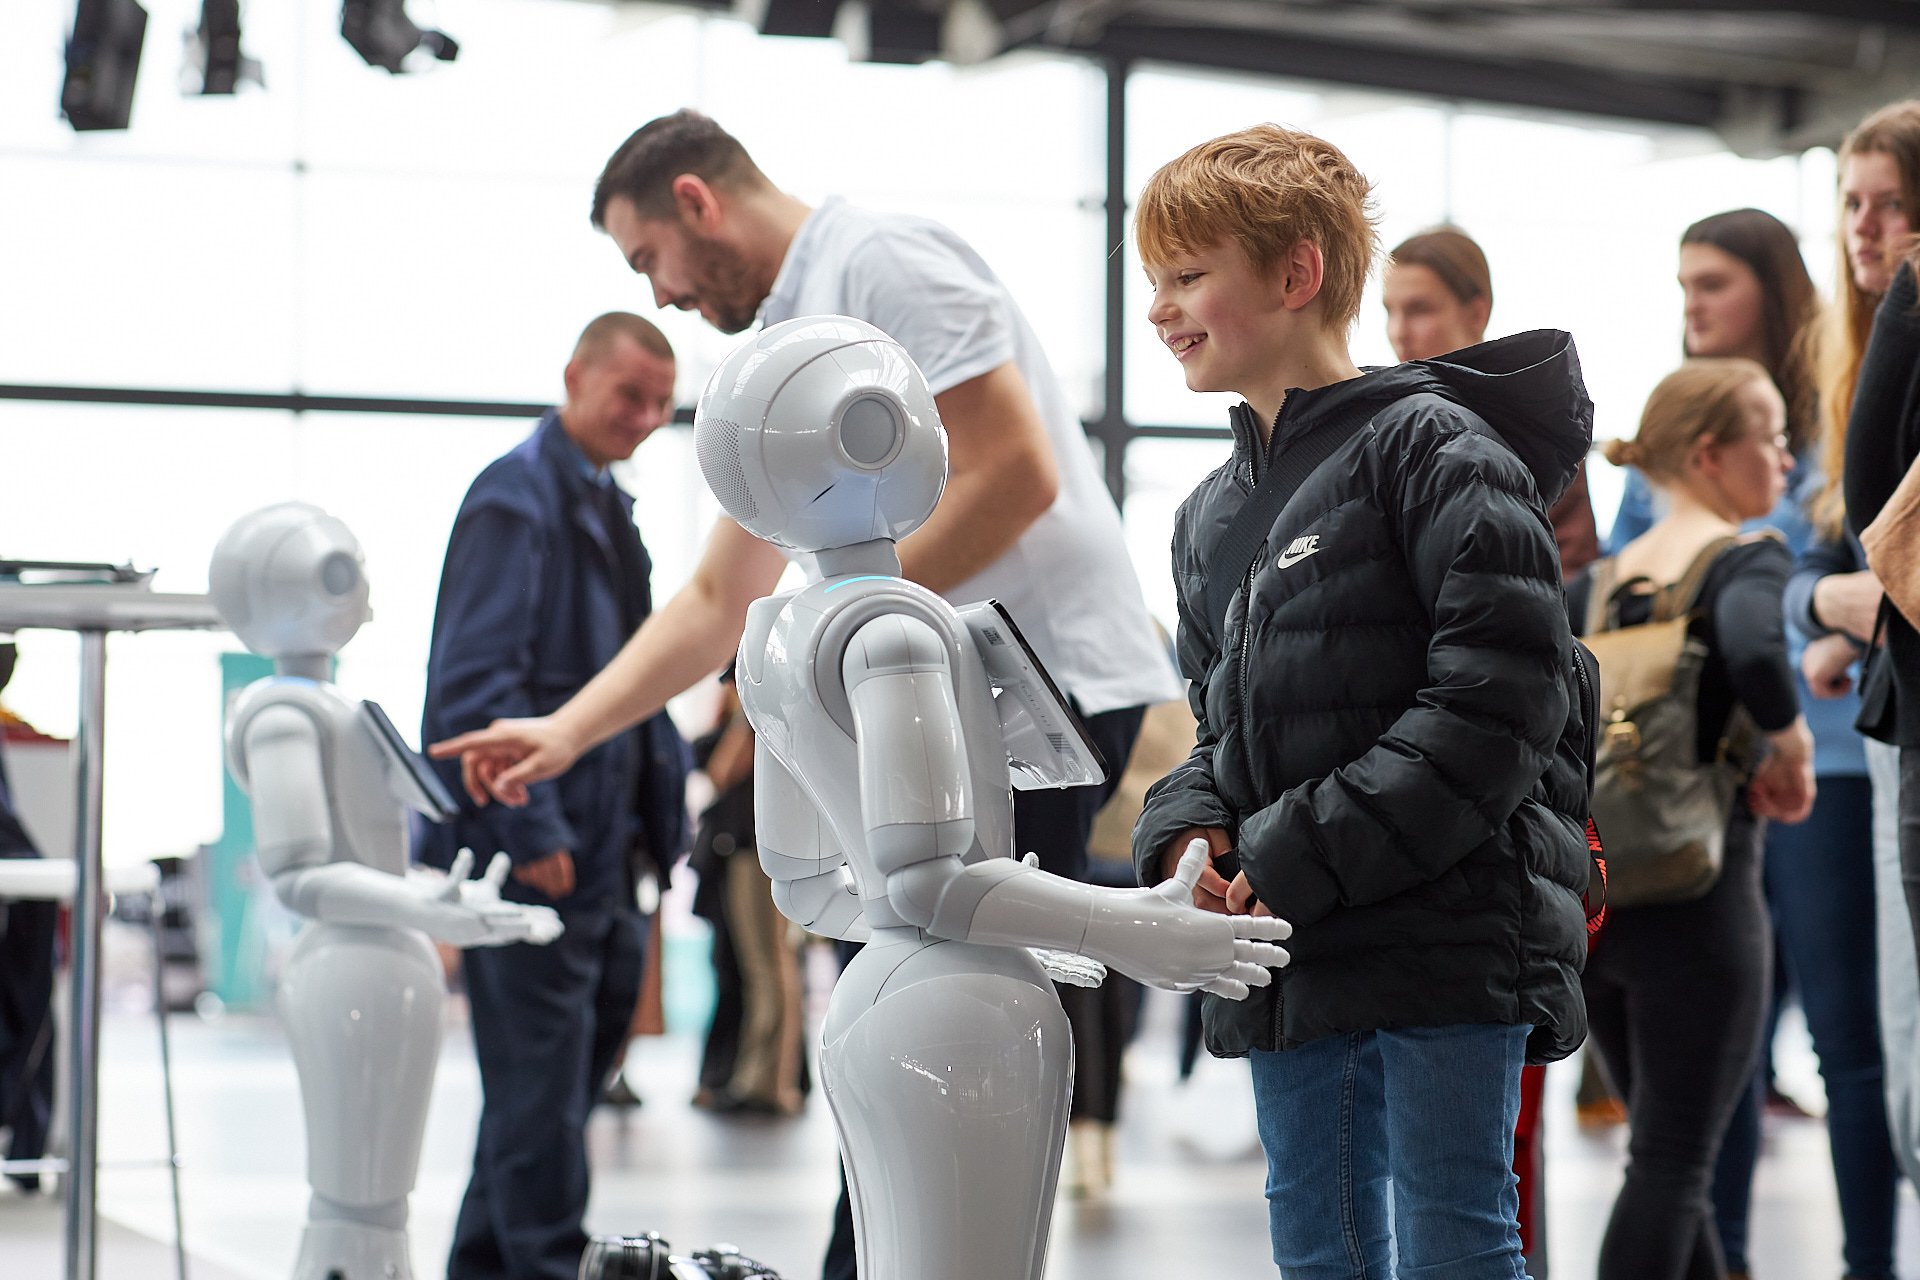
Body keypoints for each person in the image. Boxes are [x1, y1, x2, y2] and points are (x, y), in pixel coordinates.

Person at [427, 109, 1180, 1280]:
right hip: (934, 679)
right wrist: (566, 731)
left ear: (695, 201)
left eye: (647, 262)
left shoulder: (881, 259)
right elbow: (721, 597)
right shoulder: (782, 346)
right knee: (891, 997)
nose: (662, 295)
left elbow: (1014, 471)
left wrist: (841, 632)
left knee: (941, 995)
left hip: (1039, 682)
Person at [1131, 123, 1595, 1279]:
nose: (1159, 309)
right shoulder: (1206, 515)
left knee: (1457, 1235)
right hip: (1287, 936)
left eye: (1187, 276)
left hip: (1445, 925)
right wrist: (1190, 828)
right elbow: (1219, 729)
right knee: (1318, 1248)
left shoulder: (1438, 451)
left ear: (1297, 275)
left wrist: (1285, 847)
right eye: (1152, 282)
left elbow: (1498, 708)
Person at [419, 312, 690, 1280]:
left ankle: (486, 1265)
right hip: (536, 847)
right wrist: (524, 824)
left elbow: (636, 680)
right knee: (539, 1098)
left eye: (662, 402)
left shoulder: (603, 506)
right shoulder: (516, 499)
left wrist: (664, 827)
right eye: (630, 394)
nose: (647, 417)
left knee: (550, 1094)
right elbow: (474, 685)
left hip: (607, 849)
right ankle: (537, 1265)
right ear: (574, 375)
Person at [1677, 209, 1899, 1280]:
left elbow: (1861, 582)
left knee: (1847, 1043)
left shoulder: (1830, 416)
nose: (1693, 306)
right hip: (1708, 778)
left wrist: (1810, 609)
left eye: (1713, 282)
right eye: (1683, 284)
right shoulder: (1675, 430)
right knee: (1721, 1056)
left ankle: (1870, 1264)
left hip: (1838, 764)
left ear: (1769, 286)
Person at [1572, 359, 1816, 1280]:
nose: (1787, 459)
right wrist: (1791, 754)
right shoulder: (1743, 556)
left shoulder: (1594, 587)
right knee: (1674, 1166)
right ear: (1713, 455)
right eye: (1772, 436)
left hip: (1598, 907)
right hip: (1702, 897)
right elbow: (1756, 647)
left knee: (1667, 1160)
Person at [1826, 99, 1920, 1197]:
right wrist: (1821, 603)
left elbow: (1870, 548)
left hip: (1887, 726)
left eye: (1892, 202)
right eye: (1852, 202)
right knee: (1872, 1033)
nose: (1867, 225)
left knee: (1889, 1035)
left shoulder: (1908, 314)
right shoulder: (1845, 364)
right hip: (1872, 725)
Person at [1384, 226, 1600, 580]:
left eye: (1419, 310)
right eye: (1389, 311)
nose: (1398, 331)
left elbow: (1569, 569)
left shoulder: (1534, 416)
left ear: (1476, 313)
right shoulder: (1383, 426)